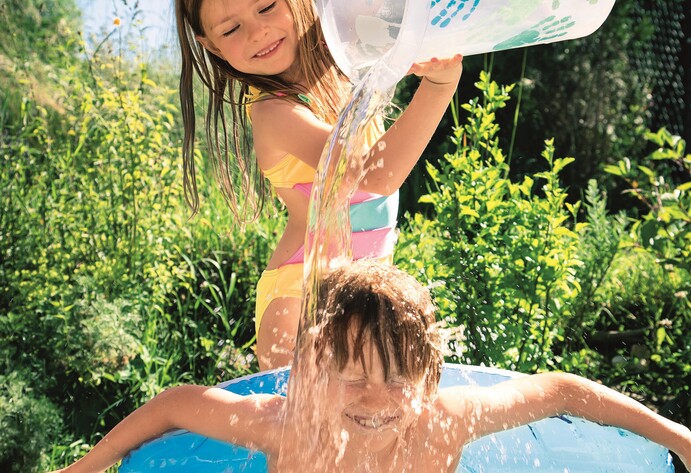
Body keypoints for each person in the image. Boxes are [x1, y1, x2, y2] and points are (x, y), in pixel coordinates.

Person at [49, 261, 691, 473]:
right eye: (354, 376)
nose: (377, 399)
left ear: (429, 380)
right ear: (312, 373)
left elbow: (563, 392)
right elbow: (174, 404)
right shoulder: (287, 428)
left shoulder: (444, 421)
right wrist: (83, 468)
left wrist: (679, 438)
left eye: (398, 380)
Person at [175, 0, 464, 369]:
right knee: (302, 425)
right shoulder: (273, 112)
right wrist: (439, 86)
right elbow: (375, 177)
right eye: (231, 30)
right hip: (301, 299)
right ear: (213, 45)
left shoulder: (343, 69)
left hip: (368, 285)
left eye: (266, 7)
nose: (257, 31)